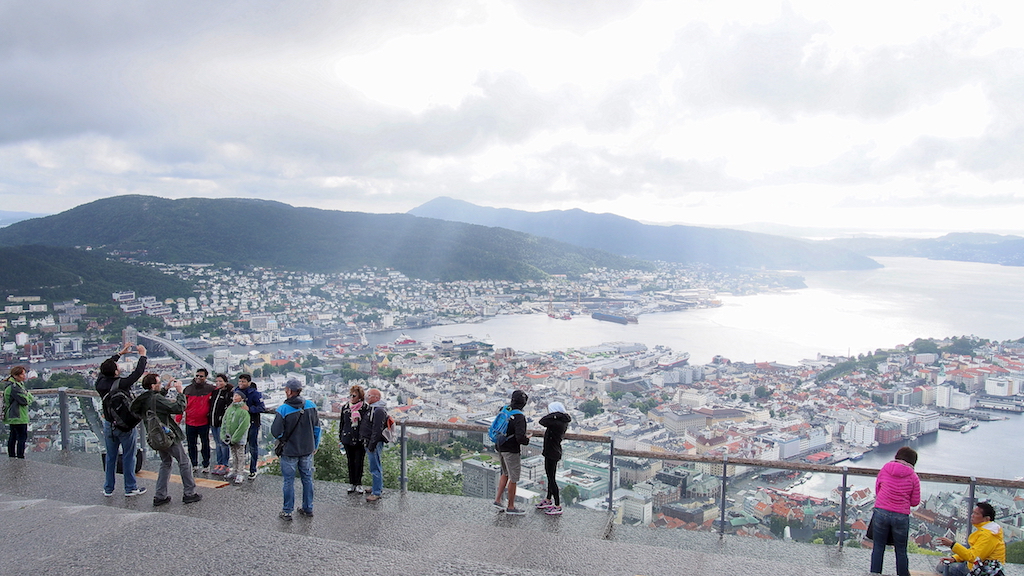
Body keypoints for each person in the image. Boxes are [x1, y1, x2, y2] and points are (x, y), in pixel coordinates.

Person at [131, 373, 202, 506]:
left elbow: (155, 402)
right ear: (153, 386)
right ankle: (189, 493)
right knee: (184, 462)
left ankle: (160, 495)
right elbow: (178, 408)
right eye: (159, 383)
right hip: (167, 435)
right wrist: (180, 393)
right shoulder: (156, 399)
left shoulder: (145, 399)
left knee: (166, 462)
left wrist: (166, 390)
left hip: (156, 436)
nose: (161, 385)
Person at [94, 343, 147, 496]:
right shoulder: (120, 383)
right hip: (125, 425)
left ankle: (108, 488)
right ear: (116, 371)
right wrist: (142, 355)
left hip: (109, 423)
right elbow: (137, 373)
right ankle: (130, 487)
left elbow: (104, 368)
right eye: (117, 366)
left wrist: (119, 354)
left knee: (111, 457)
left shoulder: (100, 383)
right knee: (129, 455)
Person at [271, 379, 320, 520]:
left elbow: (276, 431)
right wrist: (315, 445)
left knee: (288, 481)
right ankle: (308, 507)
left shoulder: (283, 409)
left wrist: (283, 438)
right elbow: (317, 428)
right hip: (307, 448)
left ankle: (287, 511)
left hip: (289, 450)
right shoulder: (311, 405)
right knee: (307, 479)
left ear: (289, 391)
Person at [870, 446, 921, 576]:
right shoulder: (913, 477)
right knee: (901, 550)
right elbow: (915, 501)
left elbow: (878, 489)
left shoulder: (885, 469)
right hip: (901, 515)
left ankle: (875, 573)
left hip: (881, 510)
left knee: (878, 547)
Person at [935, 501, 1006, 576]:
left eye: (976, 514)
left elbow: (974, 557)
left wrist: (952, 545)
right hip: (979, 565)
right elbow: (975, 552)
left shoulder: (988, 535)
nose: (972, 516)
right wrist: (955, 558)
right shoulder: (989, 530)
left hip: (983, 570)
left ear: (986, 519)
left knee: (944, 568)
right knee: (943, 566)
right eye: (973, 513)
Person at [493, 390, 530, 515]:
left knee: (505, 473)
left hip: (500, 444)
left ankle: (498, 500)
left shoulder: (505, 409)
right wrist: (527, 439)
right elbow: (520, 438)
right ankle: (511, 506)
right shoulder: (519, 417)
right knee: (513, 478)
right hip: (511, 449)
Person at [536, 401, 571, 516]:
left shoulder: (558, 423)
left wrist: (555, 415)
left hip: (552, 452)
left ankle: (557, 505)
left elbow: (542, 421)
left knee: (551, 479)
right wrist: (557, 415)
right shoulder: (560, 421)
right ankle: (548, 499)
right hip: (552, 451)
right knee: (549, 477)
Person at [180, 368, 214, 474]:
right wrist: (178, 419)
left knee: (205, 444)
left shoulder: (210, 389)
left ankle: (206, 464)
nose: (198, 378)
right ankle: (194, 464)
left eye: (201, 376)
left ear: (205, 377)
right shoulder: (188, 389)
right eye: (197, 375)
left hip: (204, 421)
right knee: (191, 445)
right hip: (190, 421)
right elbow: (181, 405)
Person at [360, 387, 388, 502]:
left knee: (375, 466)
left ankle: (376, 492)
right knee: (375, 465)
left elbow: (377, 430)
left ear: (376, 398)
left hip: (374, 443)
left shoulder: (378, 410)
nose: (367, 397)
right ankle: (377, 487)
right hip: (371, 441)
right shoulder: (373, 409)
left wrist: (371, 444)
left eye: (369, 395)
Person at [235, 374, 266, 479]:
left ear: (248, 382)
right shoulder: (235, 392)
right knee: (239, 447)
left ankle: (253, 469)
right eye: (240, 381)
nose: (241, 384)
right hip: (238, 423)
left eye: (243, 382)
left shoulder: (255, 394)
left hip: (252, 423)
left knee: (252, 446)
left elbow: (262, 408)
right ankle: (239, 469)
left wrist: (249, 409)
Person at [339, 384, 368, 494]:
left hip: (360, 439)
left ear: (360, 397)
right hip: (347, 438)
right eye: (350, 395)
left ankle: (359, 483)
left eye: (354, 395)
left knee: (359, 461)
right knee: (350, 461)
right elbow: (342, 423)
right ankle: (352, 483)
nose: (351, 397)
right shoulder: (346, 407)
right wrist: (340, 437)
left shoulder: (365, 408)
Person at [3, 366, 34, 459]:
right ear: (15, 375)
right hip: (18, 415)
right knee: (21, 437)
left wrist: (26, 395)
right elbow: (24, 400)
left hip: (13, 415)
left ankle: (12, 456)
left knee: (13, 436)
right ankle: (20, 456)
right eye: (22, 374)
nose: (24, 376)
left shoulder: (12, 385)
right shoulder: (15, 387)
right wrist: (28, 397)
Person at [220, 389, 250, 485]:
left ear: (242, 398)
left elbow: (243, 426)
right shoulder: (230, 409)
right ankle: (235, 470)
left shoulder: (243, 411)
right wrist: (224, 434)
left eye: (237, 396)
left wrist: (235, 438)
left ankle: (240, 473)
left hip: (239, 438)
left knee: (240, 455)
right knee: (233, 454)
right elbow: (224, 421)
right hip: (230, 436)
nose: (235, 397)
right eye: (234, 396)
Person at [208, 373, 233, 475]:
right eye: (217, 381)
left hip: (222, 423)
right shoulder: (215, 392)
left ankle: (225, 464)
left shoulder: (228, 393)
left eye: (220, 381)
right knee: (217, 443)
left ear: (225, 382)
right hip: (213, 421)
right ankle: (219, 463)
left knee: (223, 443)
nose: (218, 383)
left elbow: (229, 408)